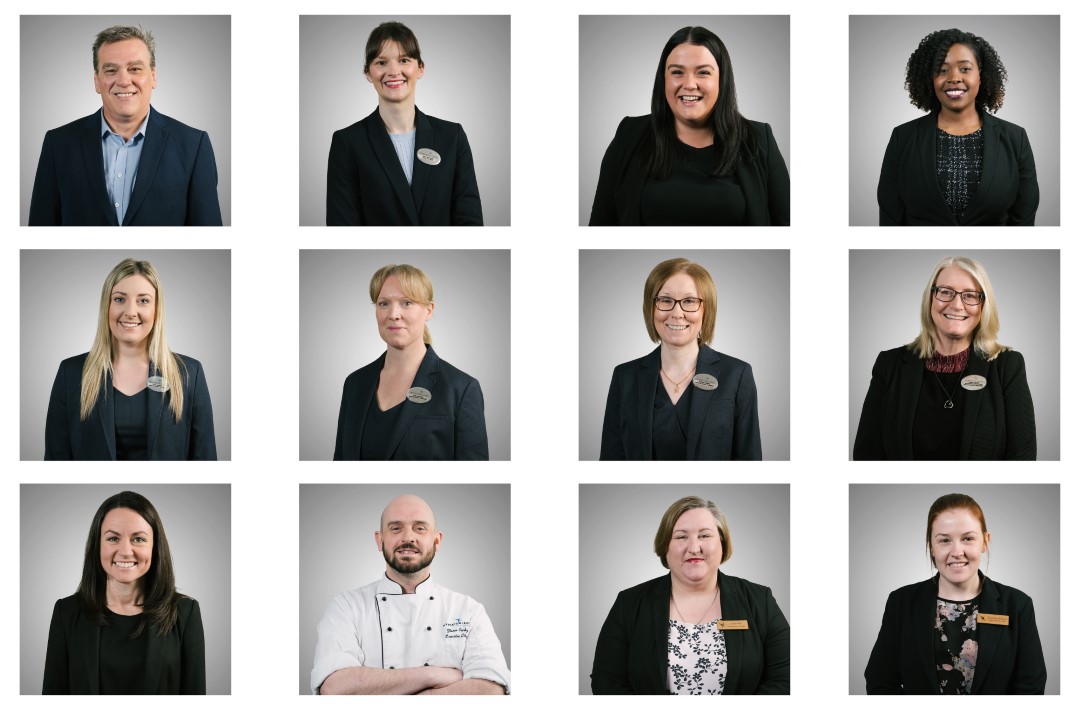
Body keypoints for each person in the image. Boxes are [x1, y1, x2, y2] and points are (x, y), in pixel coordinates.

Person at [589, 26, 788, 226]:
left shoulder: (760, 140)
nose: (690, 84)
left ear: (722, 79)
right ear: (663, 79)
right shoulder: (628, 136)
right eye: (677, 72)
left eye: (703, 72)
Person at [311, 494, 510, 694]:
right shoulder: (346, 607)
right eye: (396, 528)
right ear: (379, 540)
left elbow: (492, 690)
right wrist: (433, 675)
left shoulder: (468, 610)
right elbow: (334, 687)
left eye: (420, 528)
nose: (407, 538)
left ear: (437, 541)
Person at [591, 496, 789, 694]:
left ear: (722, 543)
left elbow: (786, 679)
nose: (694, 548)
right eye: (681, 537)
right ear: (665, 546)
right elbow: (607, 683)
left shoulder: (760, 601)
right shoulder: (629, 604)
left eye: (704, 535)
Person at [29, 25, 223, 226]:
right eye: (111, 70)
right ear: (97, 81)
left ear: (153, 76)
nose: (123, 80)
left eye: (135, 69)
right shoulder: (58, 144)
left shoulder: (193, 146)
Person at [853, 256, 1035, 460]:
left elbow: (1023, 457)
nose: (957, 305)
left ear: (983, 305)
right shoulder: (889, 365)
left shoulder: (1007, 366)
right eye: (946, 292)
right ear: (930, 298)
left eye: (970, 295)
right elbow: (866, 455)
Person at [865, 493, 1046, 694]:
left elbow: (1031, 688)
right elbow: (880, 683)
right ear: (931, 546)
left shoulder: (1018, 605)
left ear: (985, 541)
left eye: (968, 538)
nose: (957, 551)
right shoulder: (901, 603)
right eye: (944, 540)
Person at [44, 258, 217, 460]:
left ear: (157, 309)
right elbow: (55, 459)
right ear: (106, 306)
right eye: (119, 299)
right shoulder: (71, 374)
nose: (130, 312)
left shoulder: (189, 374)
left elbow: (206, 458)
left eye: (143, 301)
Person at [43, 491, 205, 694]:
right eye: (113, 538)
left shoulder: (186, 613)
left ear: (155, 547)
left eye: (138, 539)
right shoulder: (66, 612)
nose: (126, 551)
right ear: (97, 545)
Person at [600, 258, 761, 460]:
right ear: (651, 307)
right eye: (665, 300)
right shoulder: (624, 377)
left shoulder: (737, 375)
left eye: (689, 301)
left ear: (706, 309)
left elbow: (750, 459)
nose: (677, 313)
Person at [326, 21, 483, 225]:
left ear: (420, 68)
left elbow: (470, 222)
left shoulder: (452, 137)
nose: (393, 71)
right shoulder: (348, 143)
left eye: (404, 60)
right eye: (381, 62)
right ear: (368, 73)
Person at [877, 28, 1038, 225]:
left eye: (965, 69)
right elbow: (890, 219)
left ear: (981, 75)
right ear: (930, 78)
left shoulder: (1015, 139)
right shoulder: (902, 138)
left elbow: (1024, 220)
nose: (954, 77)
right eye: (942, 70)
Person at [334, 263, 488, 460]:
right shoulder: (355, 384)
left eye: (406, 303)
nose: (393, 314)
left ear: (429, 310)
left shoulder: (461, 389)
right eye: (383, 304)